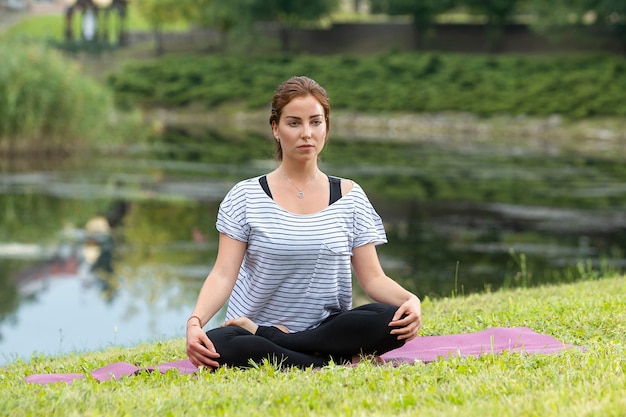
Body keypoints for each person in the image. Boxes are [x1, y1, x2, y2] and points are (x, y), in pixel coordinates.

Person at [186, 76, 422, 369]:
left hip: (325, 330)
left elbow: (373, 278)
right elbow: (223, 274)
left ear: (326, 127)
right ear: (275, 128)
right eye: (294, 123)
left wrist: (410, 300)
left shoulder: (350, 196)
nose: (306, 133)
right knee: (221, 345)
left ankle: (288, 348)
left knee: (390, 319)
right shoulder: (245, 195)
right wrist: (195, 322)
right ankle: (330, 362)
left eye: (315, 122)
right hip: (247, 329)